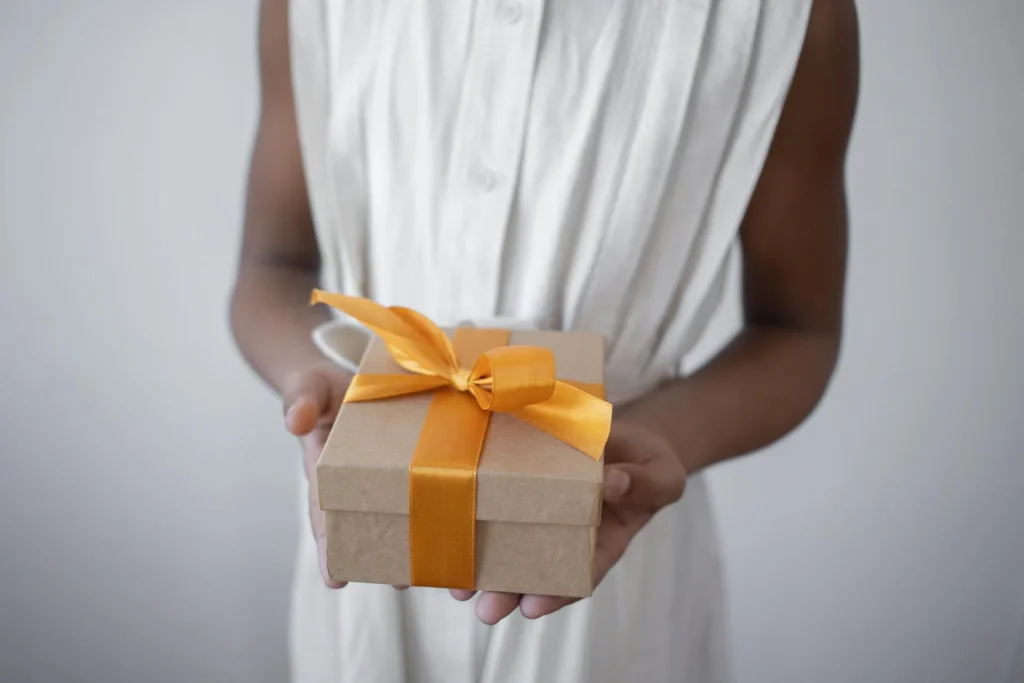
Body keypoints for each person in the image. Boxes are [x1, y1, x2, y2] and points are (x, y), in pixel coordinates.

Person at [230, 0, 860, 680]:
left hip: (612, 544)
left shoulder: (790, 15)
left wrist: (658, 442)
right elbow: (272, 265)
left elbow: (798, 328)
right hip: (365, 537)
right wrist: (312, 378)